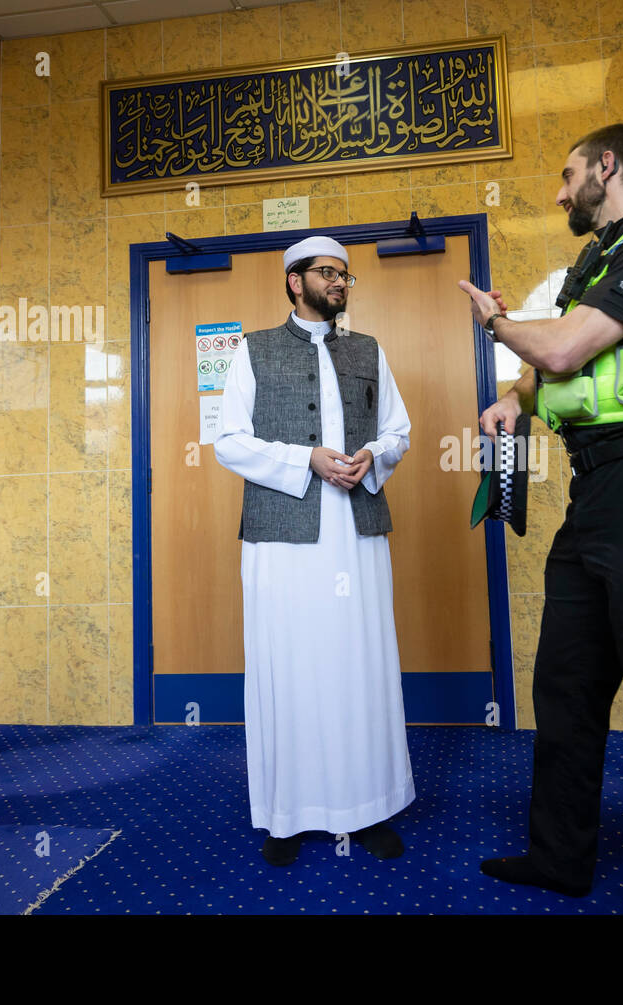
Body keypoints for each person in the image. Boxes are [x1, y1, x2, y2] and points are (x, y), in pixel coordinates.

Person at [458, 123, 623, 914]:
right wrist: (512, 398)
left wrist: (497, 325)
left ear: (609, 167)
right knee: (567, 683)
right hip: (594, 490)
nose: (561, 190)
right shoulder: (591, 263)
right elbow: (560, 379)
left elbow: (568, 350)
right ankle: (559, 856)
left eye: (569, 174)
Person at [214, 235, 414, 866]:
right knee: (287, 665)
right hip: (281, 535)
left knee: (361, 662)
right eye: (329, 274)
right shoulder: (253, 351)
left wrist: (371, 458)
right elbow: (228, 442)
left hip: (355, 531)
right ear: (294, 281)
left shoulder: (368, 351)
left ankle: (370, 805)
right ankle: (286, 815)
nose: (340, 284)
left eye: (346, 276)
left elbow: (398, 432)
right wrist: (304, 458)